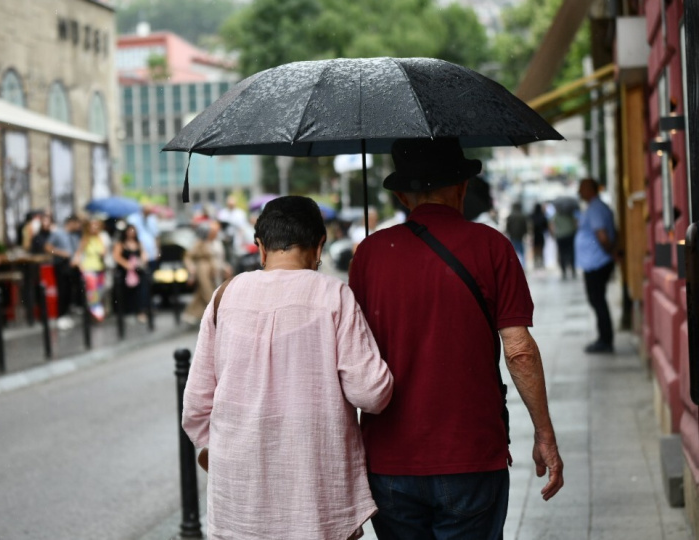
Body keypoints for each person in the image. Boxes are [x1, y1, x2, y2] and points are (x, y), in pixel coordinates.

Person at [349, 138, 564, 540]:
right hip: (471, 454)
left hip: (389, 461)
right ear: (463, 187)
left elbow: (350, 360)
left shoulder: (369, 254)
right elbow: (518, 351)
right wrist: (544, 434)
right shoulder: (492, 246)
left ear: (400, 195)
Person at [182, 195, 394, 539]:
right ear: (319, 245)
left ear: (261, 247)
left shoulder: (226, 295)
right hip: (315, 499)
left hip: (239, 503)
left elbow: (195, 408)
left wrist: (225, 452)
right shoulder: (334, 296)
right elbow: (371, 394)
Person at [576, 178, 617, 353]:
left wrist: (611, 253)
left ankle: (605, 340)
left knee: (598, 300)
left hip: (597, 262)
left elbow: (602, 235)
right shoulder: (596, 206)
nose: (579, 191)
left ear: (590, 190)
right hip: (596, 261)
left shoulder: (595, 208)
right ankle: (604, 338)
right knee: (597, 300)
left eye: (582, 188)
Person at [181, 221, 227, 325]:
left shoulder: (207, 242)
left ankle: (190, 314)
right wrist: (191, 270)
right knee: (207, 291)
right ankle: (214, 314)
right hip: (201, 270)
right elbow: (188, 257)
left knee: (202, 293)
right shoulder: (198, 243)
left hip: (209, 269)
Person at [46, 214, 82, 328]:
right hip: (62, 264)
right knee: (63, 290)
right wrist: (60, 253)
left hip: (73, 265)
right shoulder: (57, 233)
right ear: (71, 222)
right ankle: (61, 315)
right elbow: (47, 248)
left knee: (72, 290)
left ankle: (69, 312)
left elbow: (78, 249)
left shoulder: (76, 236)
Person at [112, 223, 148, 324]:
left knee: (140, 292)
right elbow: (117, 256)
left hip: (137, 271)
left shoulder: (138, 243)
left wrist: (141, 261)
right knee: (126, 293)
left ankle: (140, 311)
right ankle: (127, 312)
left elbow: (143, 254)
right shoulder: (120, 244)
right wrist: (126, 264)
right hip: (125, 272)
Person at [72, 218, 107, 321]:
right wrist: (81, 267)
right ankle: (95, 312)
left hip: (99, 268)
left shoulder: (99, 238)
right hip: (88, 268)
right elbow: (78, 254)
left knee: (99, 291)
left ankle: (96, 311)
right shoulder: (85, 239)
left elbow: (103, 253)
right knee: (92, 291)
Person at [550, 203, 578, 280]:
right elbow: (575, 223)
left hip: (560, 236)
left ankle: (564, 270)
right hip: (570, 235)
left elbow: (552, 225)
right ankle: (572, 269)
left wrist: (553, 234)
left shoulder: (556, 215)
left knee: (562, 253)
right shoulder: (569, 214)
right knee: (571, 252)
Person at [505, 202, 529, 267]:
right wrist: (525, 233)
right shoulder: (522, 216)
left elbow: (507, 227)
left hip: (512, 236)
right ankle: (523, 266)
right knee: (521, 252)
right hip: (520, 237)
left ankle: (514, 266)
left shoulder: (510, 216)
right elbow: (525, 227)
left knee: (513, 252)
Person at [530, 203, 549, 269]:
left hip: (535, 235)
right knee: (541, 249)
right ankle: (541, 262)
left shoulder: (532, 216)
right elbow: (546, 227)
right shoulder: (543, 216)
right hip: (541, 235)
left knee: (535, 249)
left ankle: (535, 262)